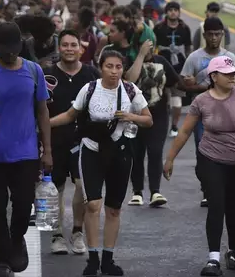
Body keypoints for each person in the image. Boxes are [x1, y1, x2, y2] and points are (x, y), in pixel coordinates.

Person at [163, 56, 235, 276]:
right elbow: (185, 131)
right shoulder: (201, 101)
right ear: (214, 76)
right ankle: (213, 258)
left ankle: (233, 251)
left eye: (234, 73)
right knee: (216, 206)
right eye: (227, 73)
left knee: (233, 208)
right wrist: (170, 158)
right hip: (210, 159)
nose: (233, 77)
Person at [50, 50, 153, 276]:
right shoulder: (90, 89)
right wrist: (45, 125)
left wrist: (130, 117)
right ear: (101, 67)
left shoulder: (130, 90)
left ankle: (108, 259)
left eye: (118, 67)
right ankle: (93, 259)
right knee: (93, 205)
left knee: (114, 210)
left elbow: (148, 119)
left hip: (120, 151)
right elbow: (70, 115)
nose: (114, 72)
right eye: (109, 66)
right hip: (92, 151)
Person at [0, 22, 53, 277]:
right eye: (4, 48)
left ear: (20, 45)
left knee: (22, 204)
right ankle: (2, 261)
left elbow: (42, 111)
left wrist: (48, 150)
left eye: (14, 48)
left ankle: (16, 238)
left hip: (26, 152)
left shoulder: (33, 71)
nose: (9, 53)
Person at [44, 30, 99, 255]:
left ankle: (77, 233)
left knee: (81, 186)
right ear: (59, 48)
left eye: (73, 45)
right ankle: (56, 235)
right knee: (54, 189)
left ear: (80, 48)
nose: (69, 49)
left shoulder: (91, 74)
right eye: (65, 45)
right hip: (53, 141)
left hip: (83, 141)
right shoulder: (46, 75)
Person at [180, 17, 235, 207]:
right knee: (203, 152)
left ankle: (218, 187)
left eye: (218, 34)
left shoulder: (228, 57)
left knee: (223, 151)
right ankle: (207, 188)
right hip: (201, 114)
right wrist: (197, 86)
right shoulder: (195, 58)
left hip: (224, 114)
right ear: (205, 35)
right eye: (211, 34)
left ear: (222, 35)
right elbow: (184, 83)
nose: (214, 38)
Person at [124, 41, 184, 207]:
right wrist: (141, 56)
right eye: (144, 45)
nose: (148, 49)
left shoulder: (162, 61)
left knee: (156, 151)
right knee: (137, 153)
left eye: (151, 45)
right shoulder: (130, 61)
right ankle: (137, 192)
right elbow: (129, 79)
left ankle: (155, 192)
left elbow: (175, 81)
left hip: (158, 114)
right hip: (135, 115)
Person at [153, 1, 192, 138]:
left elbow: (188, 48)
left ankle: (174, 125)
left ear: (179, 12)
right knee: (161, 101)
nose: (173, 12)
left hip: (178, 69)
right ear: (166, 12)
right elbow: (153, 47)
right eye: (170, 10)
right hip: (161, 69)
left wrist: (189, 66)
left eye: (175, 10)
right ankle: (160, 125)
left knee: (177, 102)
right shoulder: (159, 28)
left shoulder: (184, 29)